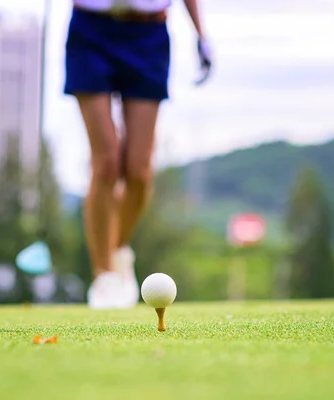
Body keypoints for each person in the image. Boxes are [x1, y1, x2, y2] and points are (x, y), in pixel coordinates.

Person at [64, 0, 213, 309]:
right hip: (90, 29)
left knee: (139, 171)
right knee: (106, 163)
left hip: (149, 33)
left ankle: (118, 250)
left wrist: (201, 34)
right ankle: (103, 275)